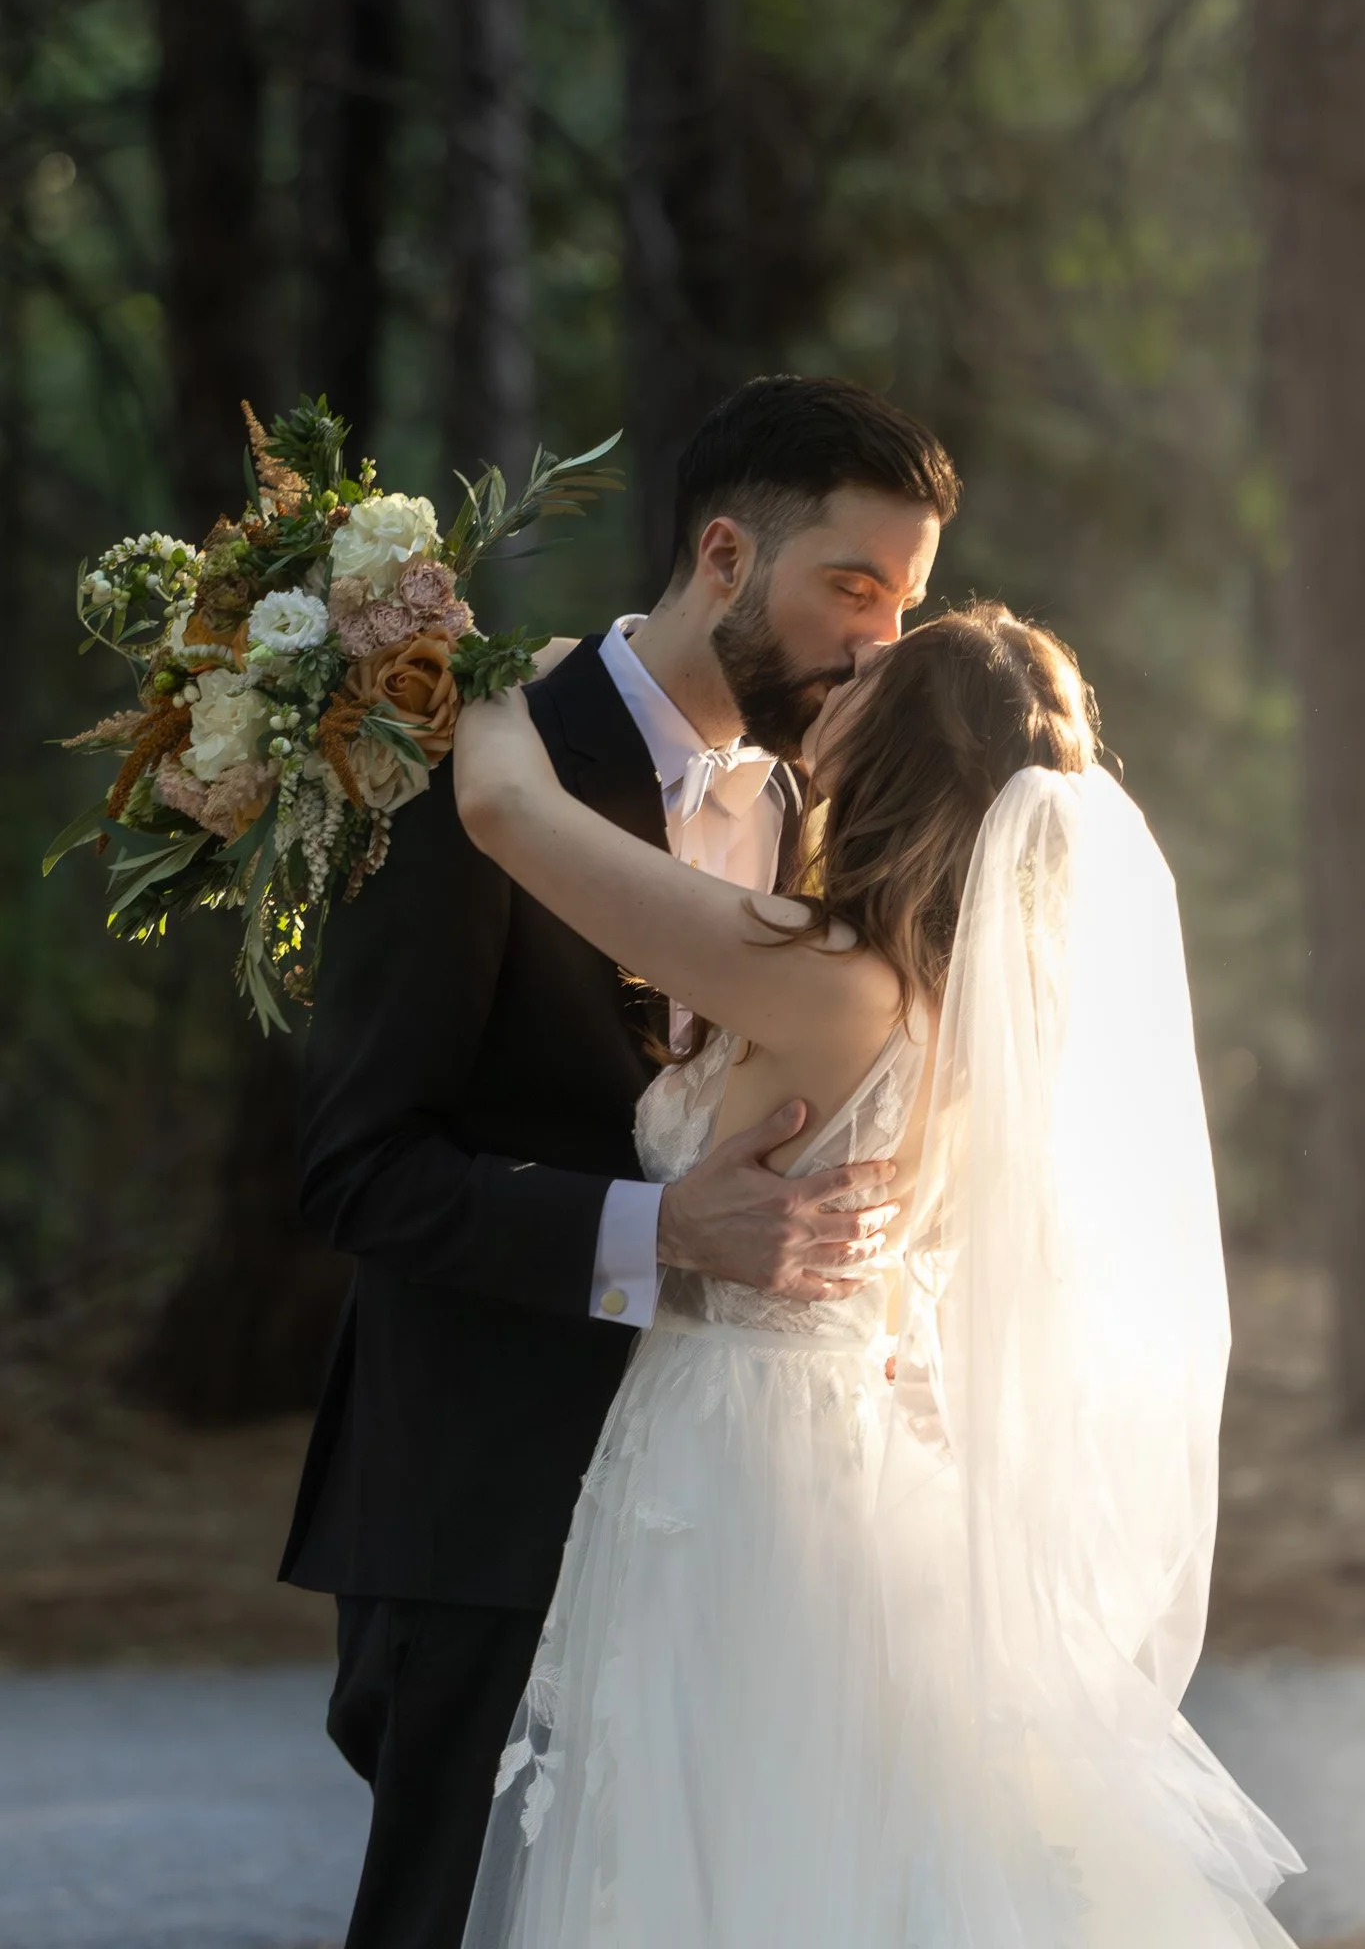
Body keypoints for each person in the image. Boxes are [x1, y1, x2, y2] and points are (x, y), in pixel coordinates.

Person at [450, 601, 1306, 1947]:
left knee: (734, 1847)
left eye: (874, 675)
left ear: (899, 741)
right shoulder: (969, 1003)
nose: (842, 675)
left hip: (744, 1457)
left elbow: (505, 810)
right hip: (852, 1444)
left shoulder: (820, 978)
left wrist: (486, 653)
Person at [279, 373, 962, 1947]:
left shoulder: (817, 807)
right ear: (724, 557)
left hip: (733, 1512)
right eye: (847, 587)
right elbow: (355, 1169)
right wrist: (657, 1232)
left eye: (904, 605)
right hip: (485, 1501)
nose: (876, 641)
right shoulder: (471, 767)